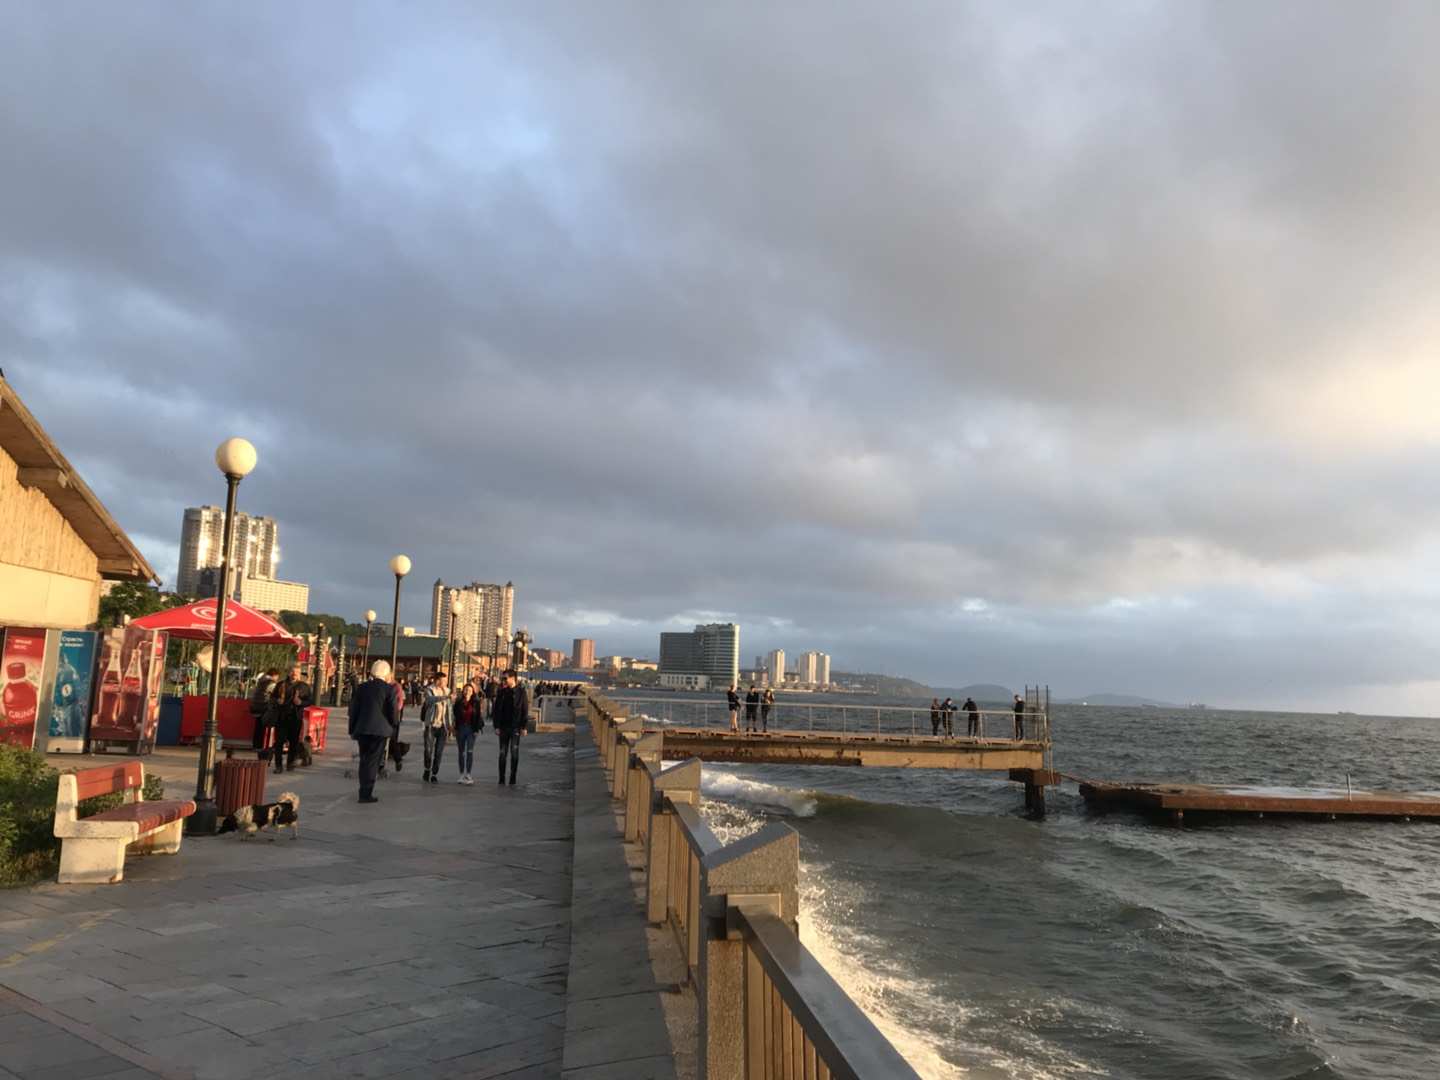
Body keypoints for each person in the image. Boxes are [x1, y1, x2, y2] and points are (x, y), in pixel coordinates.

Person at [348, 659, 397, 803]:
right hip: (380, 730)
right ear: (386, 673)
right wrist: (393, 725)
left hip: (362, 729)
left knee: (364, 760)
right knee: (373, 761)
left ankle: (363, 789)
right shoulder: (389, 689)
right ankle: (366, 793)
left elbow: (354, 710)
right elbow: (393, 712)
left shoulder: (362, 688)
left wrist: (352, 728)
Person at [492, 668, 529, 785]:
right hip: (503, 727)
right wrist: (496, 726)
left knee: (514, 752)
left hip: (515, 727)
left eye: (505, 678)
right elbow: (496, 710)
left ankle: (513, 777)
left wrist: (524, 727)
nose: (503, 680)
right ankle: (501, 778)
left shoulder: (521, 692)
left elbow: (525, 710)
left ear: (513, 678)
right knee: (502, 753)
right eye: (503, 678)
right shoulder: (501, 692)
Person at [273, 665, 311, 773]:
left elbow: (309, 701)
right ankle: (278, 766)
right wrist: (277, 701)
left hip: (296, 718)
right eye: (292, 671)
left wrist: (301, 702)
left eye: (297, 672)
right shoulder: (281, 684)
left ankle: (290, 764)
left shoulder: (304, 686)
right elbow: (273, 697)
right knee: (279, 742)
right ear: (289, 672)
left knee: (293, 742)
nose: (294, 674)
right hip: (282, 718)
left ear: (299, 673)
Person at [421, 673, 452, 783]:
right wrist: (445, 697)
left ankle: (434, 773)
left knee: (439, 752)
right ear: (437, 680)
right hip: (431, 724)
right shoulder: (429, 690)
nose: (446, 682)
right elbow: (429, 700)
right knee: (428, 750)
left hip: (443, 726)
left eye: (446, 680)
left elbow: (449, 709)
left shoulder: (448, 691)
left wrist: (450, 724)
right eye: (444, 680)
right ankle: (427, 769)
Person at [453, 682, 481, 784]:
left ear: (473, 692)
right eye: (465, 690)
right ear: (463, 691)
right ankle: (461, 774)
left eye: (469, 690)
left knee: (469, 751)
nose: (467, 692)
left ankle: (468, 774)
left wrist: (476, 730)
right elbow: (455, 715)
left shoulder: (476, 702)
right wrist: (454, 729)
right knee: (461, 752)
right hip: (460, 729)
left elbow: (478, 717)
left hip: (471, 729)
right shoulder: (458, 702)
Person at [249, 668, 278, 752]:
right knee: (262, 727)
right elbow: (276, 693)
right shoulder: (270, 683)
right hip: (263, 707)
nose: (277, 678)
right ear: (274, 675)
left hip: (256, 706)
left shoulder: (261, 681)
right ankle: (260, 746)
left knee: (258, 727)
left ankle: (256, 746)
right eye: (277, 676)